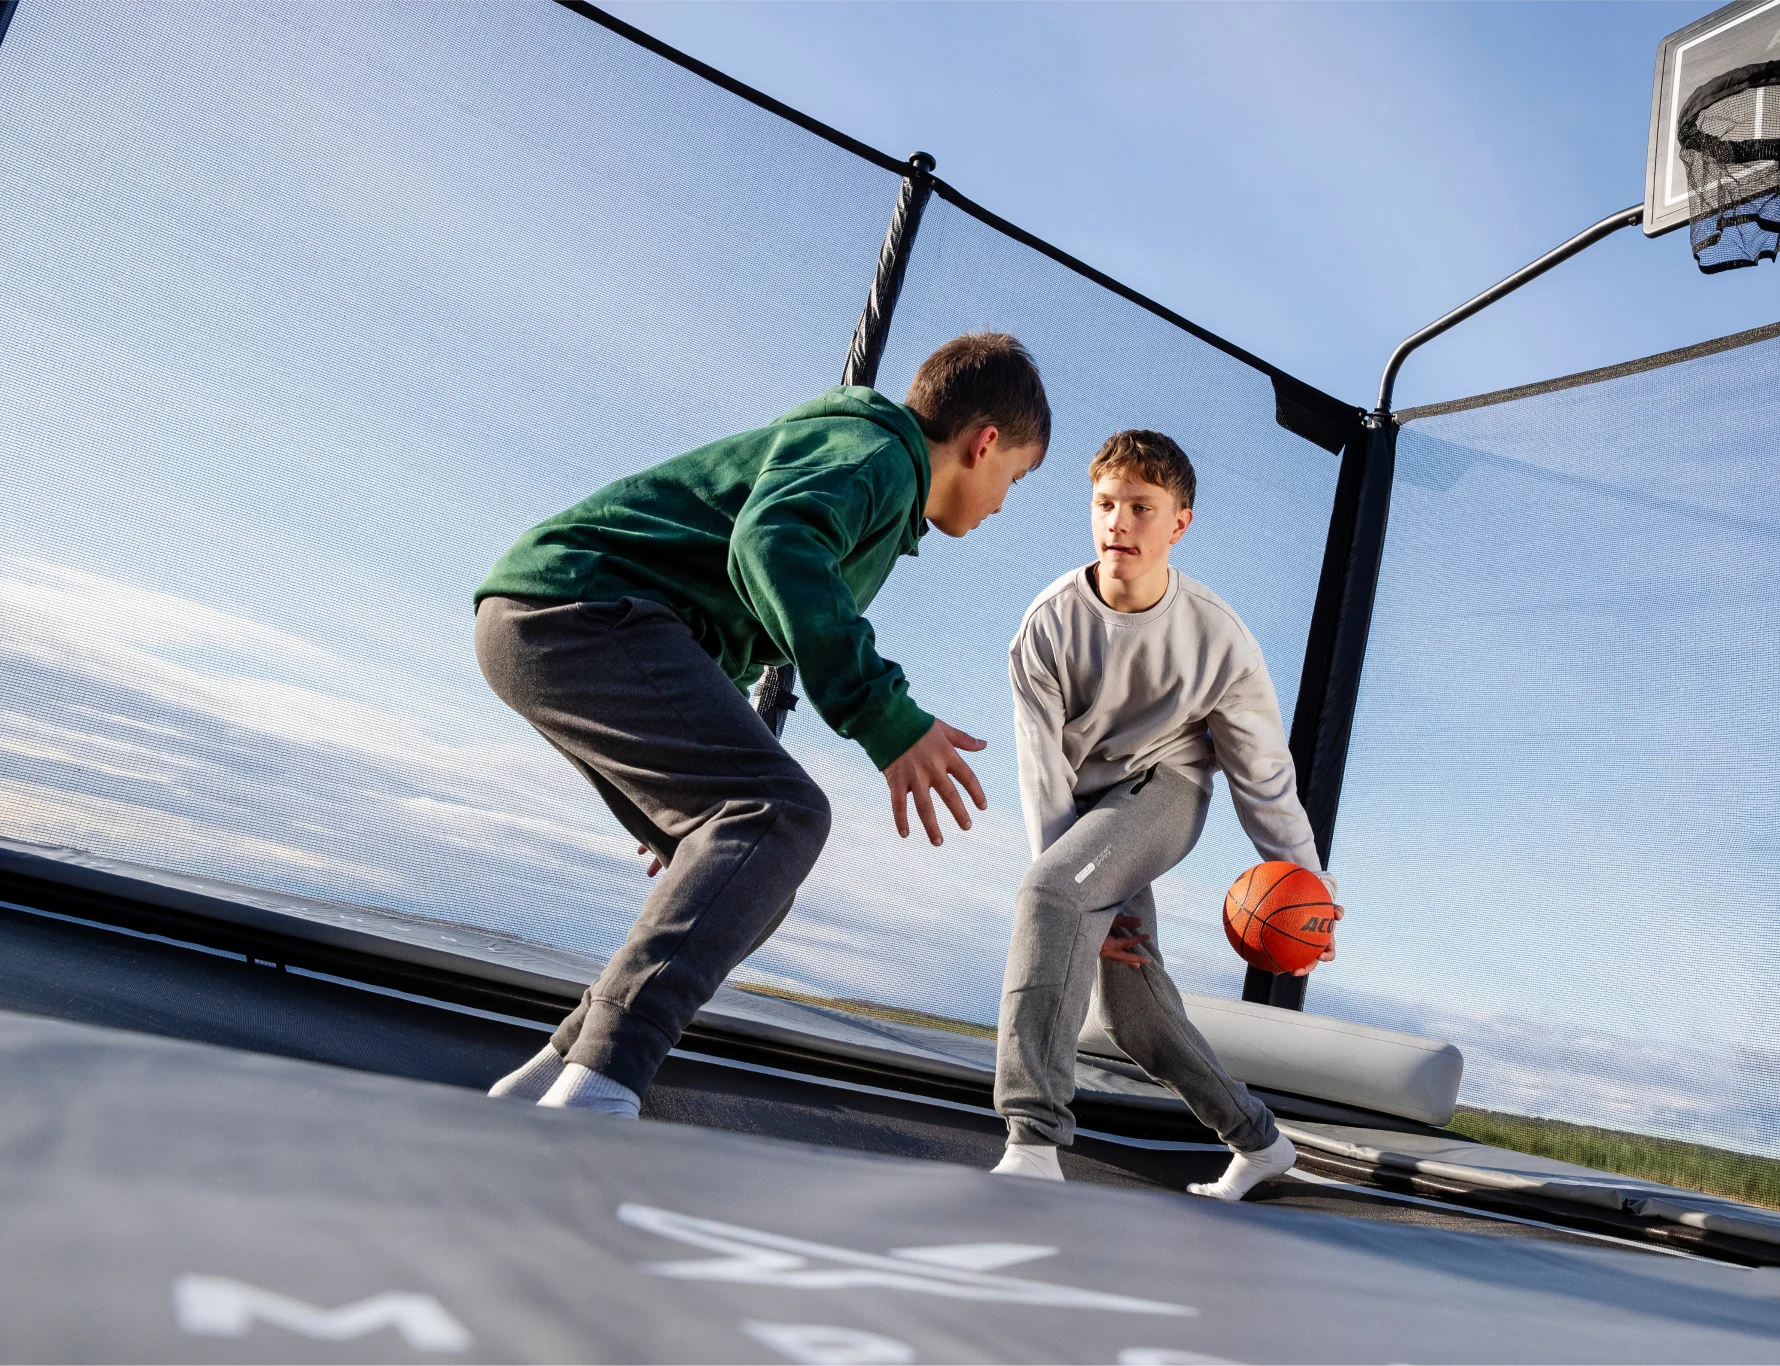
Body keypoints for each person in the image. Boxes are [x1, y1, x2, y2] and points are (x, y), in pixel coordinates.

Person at [475, 333, 1051, 1118]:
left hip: (550, 620)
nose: (1000, 504)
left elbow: (725, 615)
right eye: (1013, 479)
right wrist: (885, 716)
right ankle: (604, 1089)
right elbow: (774, 541)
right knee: (782, 815)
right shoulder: (875, 456)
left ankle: (556, 1072)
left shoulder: (861, 463)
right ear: (984, 444)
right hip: (579, 609)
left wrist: (690, 765)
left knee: (751, 873)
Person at [993, 428, 1340, 1199]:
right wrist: (1087, 890)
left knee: (1048, 894)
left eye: (1141, 508)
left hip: (1169, 789)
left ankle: (1032, 1141)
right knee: (1133, 1011)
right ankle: (1259, 1140)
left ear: (1179, 523)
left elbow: (1263, 777)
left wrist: (1310, 888)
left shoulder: (1219, 639)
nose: (1119, 521)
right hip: (1084, 812)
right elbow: (1042, 775)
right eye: (1106, 504)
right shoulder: (1045, 627)